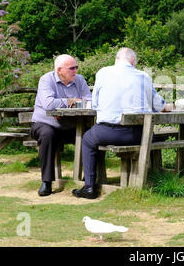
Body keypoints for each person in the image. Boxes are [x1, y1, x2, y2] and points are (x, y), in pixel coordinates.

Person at [72, 47, 172, 199]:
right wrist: (168, 106)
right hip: (139, 134)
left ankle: (90, 186)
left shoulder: (103, 73)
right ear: (133, 62)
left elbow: (95, 104)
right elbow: (158, 105)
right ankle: (152, 176)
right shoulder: (144, 76)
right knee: (154, 135)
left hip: (107, 133)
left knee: (87, 139)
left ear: (116, 59)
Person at [31, 54, 92, 196]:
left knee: (92, 135)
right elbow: (49, 104)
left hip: (71, 125)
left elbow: (89, 102)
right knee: (48, 134)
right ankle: (46, 182)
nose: (75, 71)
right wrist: (72, 101)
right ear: (59, 70)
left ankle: (89, 178)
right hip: (45, 123)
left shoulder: (80, 80)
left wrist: (64, 106)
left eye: (76, 67)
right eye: (71, 68)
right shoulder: (46, 80)